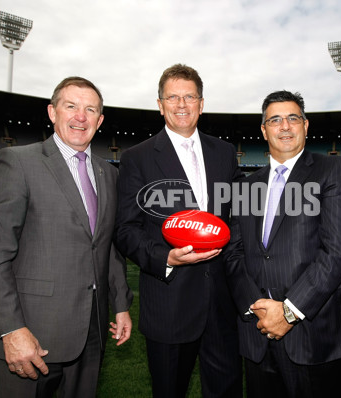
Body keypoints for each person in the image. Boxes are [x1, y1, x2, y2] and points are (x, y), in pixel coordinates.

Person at [0, 76, 133, 398]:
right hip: (33, 332)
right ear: (52, 112)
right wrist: (10, 329)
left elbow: (107, 247)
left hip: (92, 330)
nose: (80, 117)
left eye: (90, 110)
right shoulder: (18, 162)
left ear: (100, 120)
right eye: (71, 106)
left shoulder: (110, 173)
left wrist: (120, 305)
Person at [114, 64, 242, 397]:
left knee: (226, 389)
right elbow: (125, 229)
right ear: (160, 104)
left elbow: (238, 217)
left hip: (223, 302)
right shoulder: (136, 158)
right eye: (173, 97)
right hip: (169, 301)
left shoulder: (226, 153)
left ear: (201, 103)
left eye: (189, 97)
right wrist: (166, 258)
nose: (181, 104)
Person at [224, 90, 341, 397]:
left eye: (292, 118)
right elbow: (233, 253)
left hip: (316, 335)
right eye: (275, 119)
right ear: (263, 130)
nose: (284, 126)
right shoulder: (246, 186)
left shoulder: (334, 171)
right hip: (258, 333)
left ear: (305, 125)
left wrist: (288, 312)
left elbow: (337, 250)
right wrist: (257, 308)